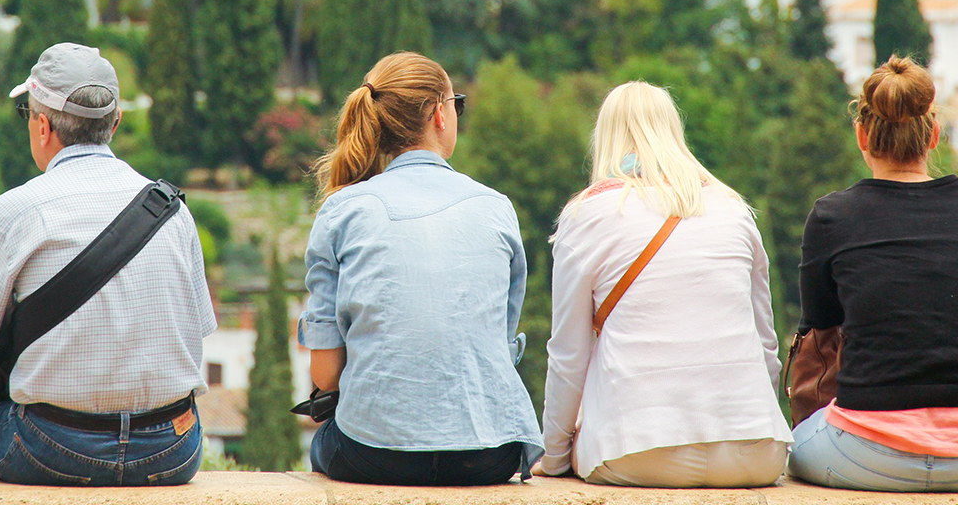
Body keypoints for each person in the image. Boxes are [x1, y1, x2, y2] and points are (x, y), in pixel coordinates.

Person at [0, 42, 215, 487]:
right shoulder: (172, 210)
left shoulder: (10, 214)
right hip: (172, 450)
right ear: (115, 123)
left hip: (52, 449)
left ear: (42, 126)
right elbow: (195, 334)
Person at [299, 51, 541, 485]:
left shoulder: (342, 210)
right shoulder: (496, 208)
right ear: (438, 114)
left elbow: (325, 374)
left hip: (372, 454)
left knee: (325, 441)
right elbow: (495, 344)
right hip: (488, 454)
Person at [535, 82, 791, 487]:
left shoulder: (588, 214)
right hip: (756, 450)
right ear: (674, 132)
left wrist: (552, 457)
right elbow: (766, 346)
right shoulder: (734, 209)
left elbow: (569, 355)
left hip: (636, 449)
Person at [788, 55, 958, 492]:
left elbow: (819, 333)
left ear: (861, 136)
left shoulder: (833, 217)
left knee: (791, 444)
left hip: (866, 455)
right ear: (934, 135)